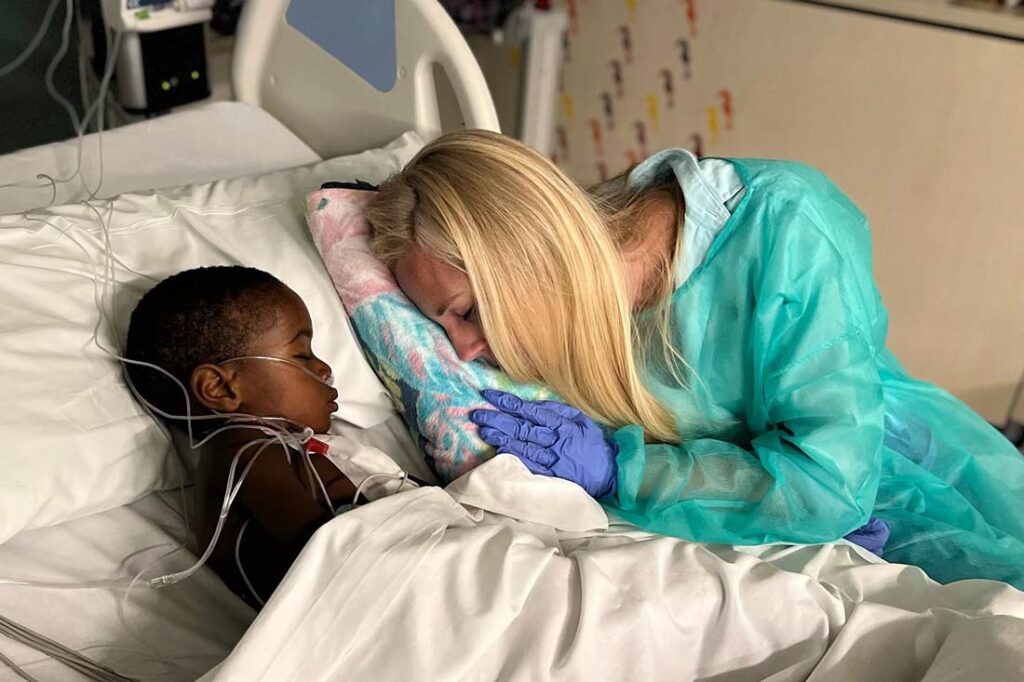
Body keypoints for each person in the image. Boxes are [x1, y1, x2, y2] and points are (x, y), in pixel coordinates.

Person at [362, 130, 1024, 588]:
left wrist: (625, 471)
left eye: (469, 312)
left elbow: (828, 486)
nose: (463, 352)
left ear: (531, 258)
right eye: (439, 323)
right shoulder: (580, 291)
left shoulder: (786, 230)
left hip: (896, 492)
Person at [125, 266, 355, 605]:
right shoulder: (239, 448)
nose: (323, 369)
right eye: (302, 355)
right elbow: (329, 550)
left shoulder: (285, 452)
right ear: (220, 387)